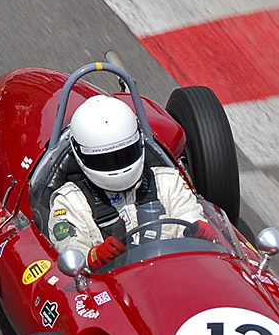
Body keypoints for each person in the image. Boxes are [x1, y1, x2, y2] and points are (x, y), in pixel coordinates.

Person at [48, 94, 215, 268]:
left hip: (174, 271)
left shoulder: (167, 181)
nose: (118, 166)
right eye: (105, 160)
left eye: (125, 154)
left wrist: (198, 230)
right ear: (81, 155)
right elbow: (69, 249)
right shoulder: (69, 201)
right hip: (115, 287)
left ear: (139, 142)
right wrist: (92, 257)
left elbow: (189, 215)